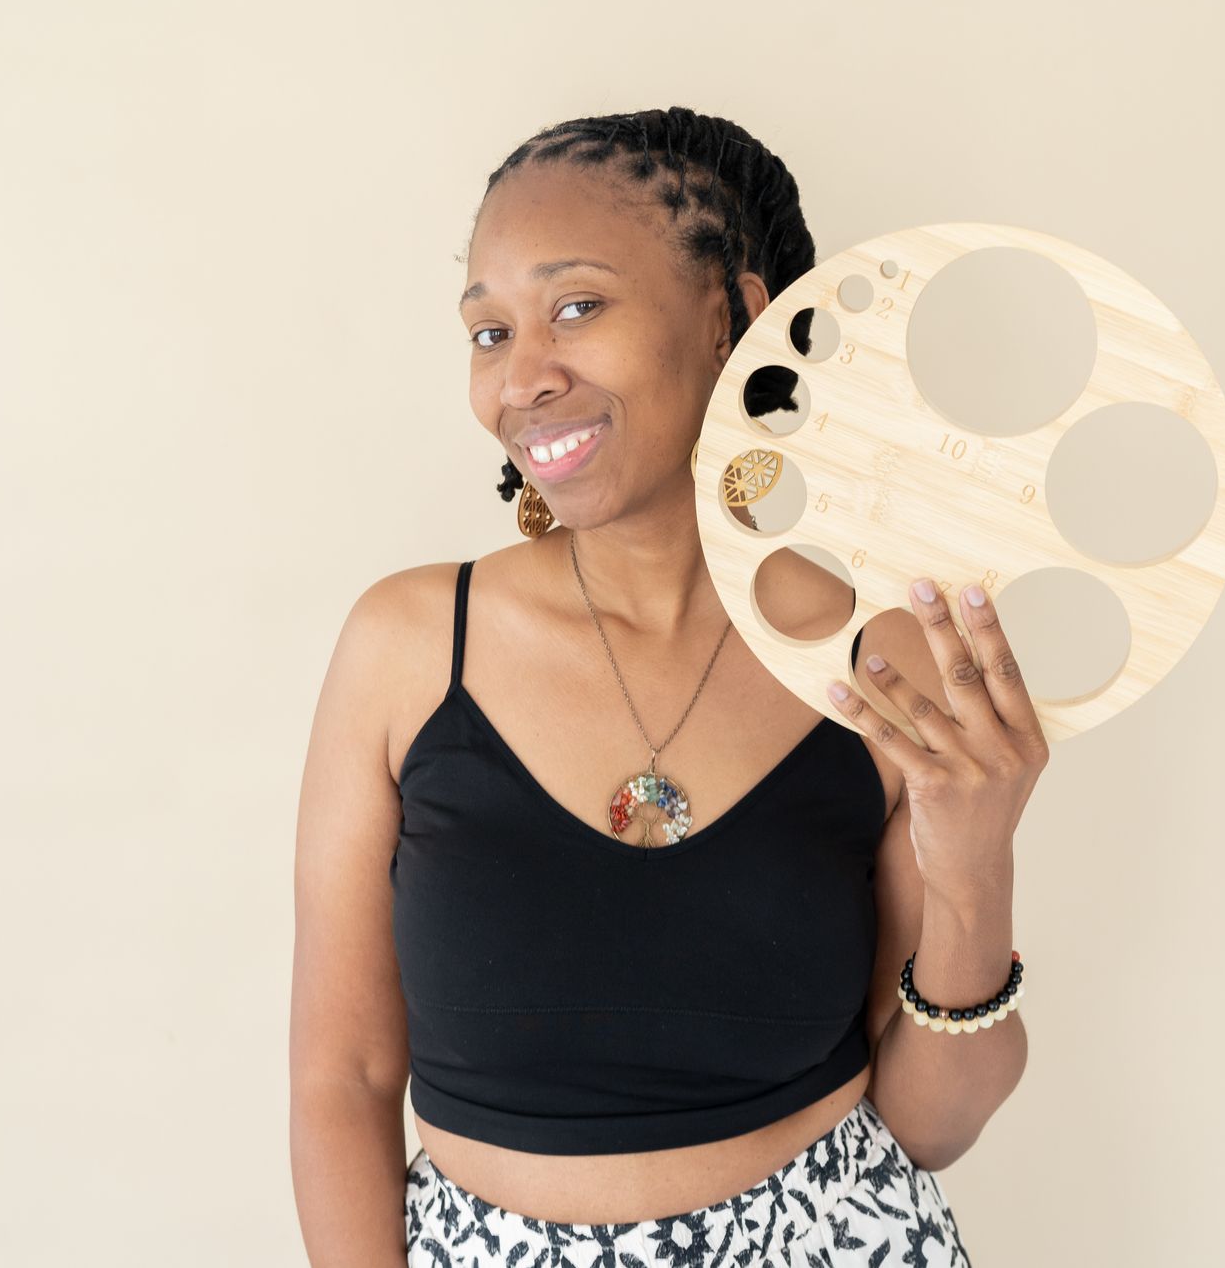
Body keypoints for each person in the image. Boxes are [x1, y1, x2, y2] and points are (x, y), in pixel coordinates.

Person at [291, 106, 1042, 1267]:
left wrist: (975, 860)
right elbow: (342, 1077)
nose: (523, 377)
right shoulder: (407, 645)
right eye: (488, 332)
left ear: (733, 314)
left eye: (577, 307)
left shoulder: (880, 652)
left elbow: (931, 1125)